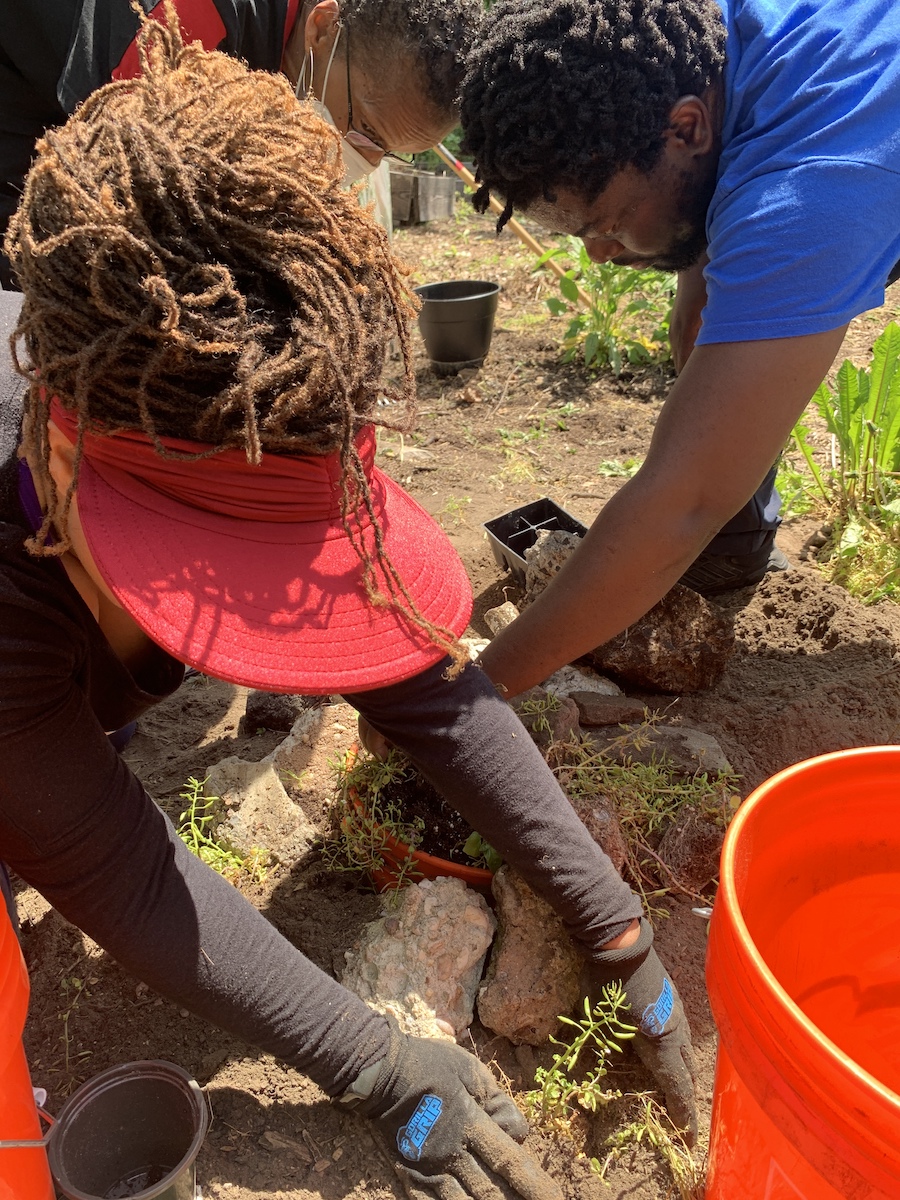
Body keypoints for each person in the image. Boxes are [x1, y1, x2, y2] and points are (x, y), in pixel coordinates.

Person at [0, 19, 696, 1199]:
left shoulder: (232, 389)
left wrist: (614, 918)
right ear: (62, 468)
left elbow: (417, 677)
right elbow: (111, 863)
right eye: (204, 565)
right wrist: (375, 1061)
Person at [457, 0, 900, 691]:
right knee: (698, 323)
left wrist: (474, 696)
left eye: (606, 224)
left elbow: (682, 500)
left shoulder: (810, 187)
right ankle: (740, 540)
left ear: (687, 127)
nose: (600, 256)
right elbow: (699, 308)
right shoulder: (713, 45)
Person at [0, 0, 479, 288]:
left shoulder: (295, 48)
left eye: (388, 152)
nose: (364, 160)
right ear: (322, 27)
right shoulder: (181, 26)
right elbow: (124, 206)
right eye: (367, 131)